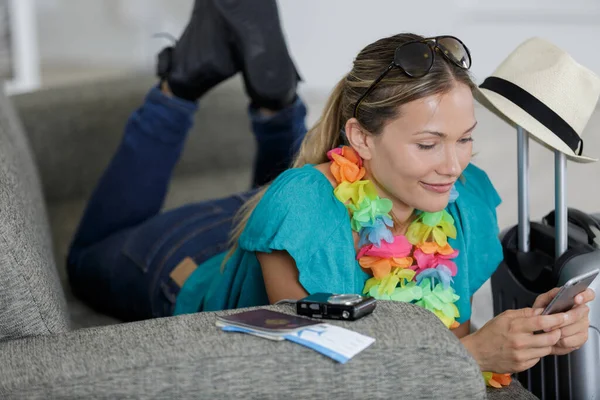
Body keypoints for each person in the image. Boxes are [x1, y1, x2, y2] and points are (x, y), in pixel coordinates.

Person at [67, 1, 593, 380]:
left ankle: (275, 100)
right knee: (86, 257)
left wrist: (521, 334)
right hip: (178, 260)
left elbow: (435, 323)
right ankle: (179, 84)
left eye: (465, 139)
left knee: (281, 199)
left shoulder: (466, 200)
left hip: (274, 228)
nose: (453, 165)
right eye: (429, 144)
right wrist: (473, 355)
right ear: (361, 137)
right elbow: (310, 369)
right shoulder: (300, 202)